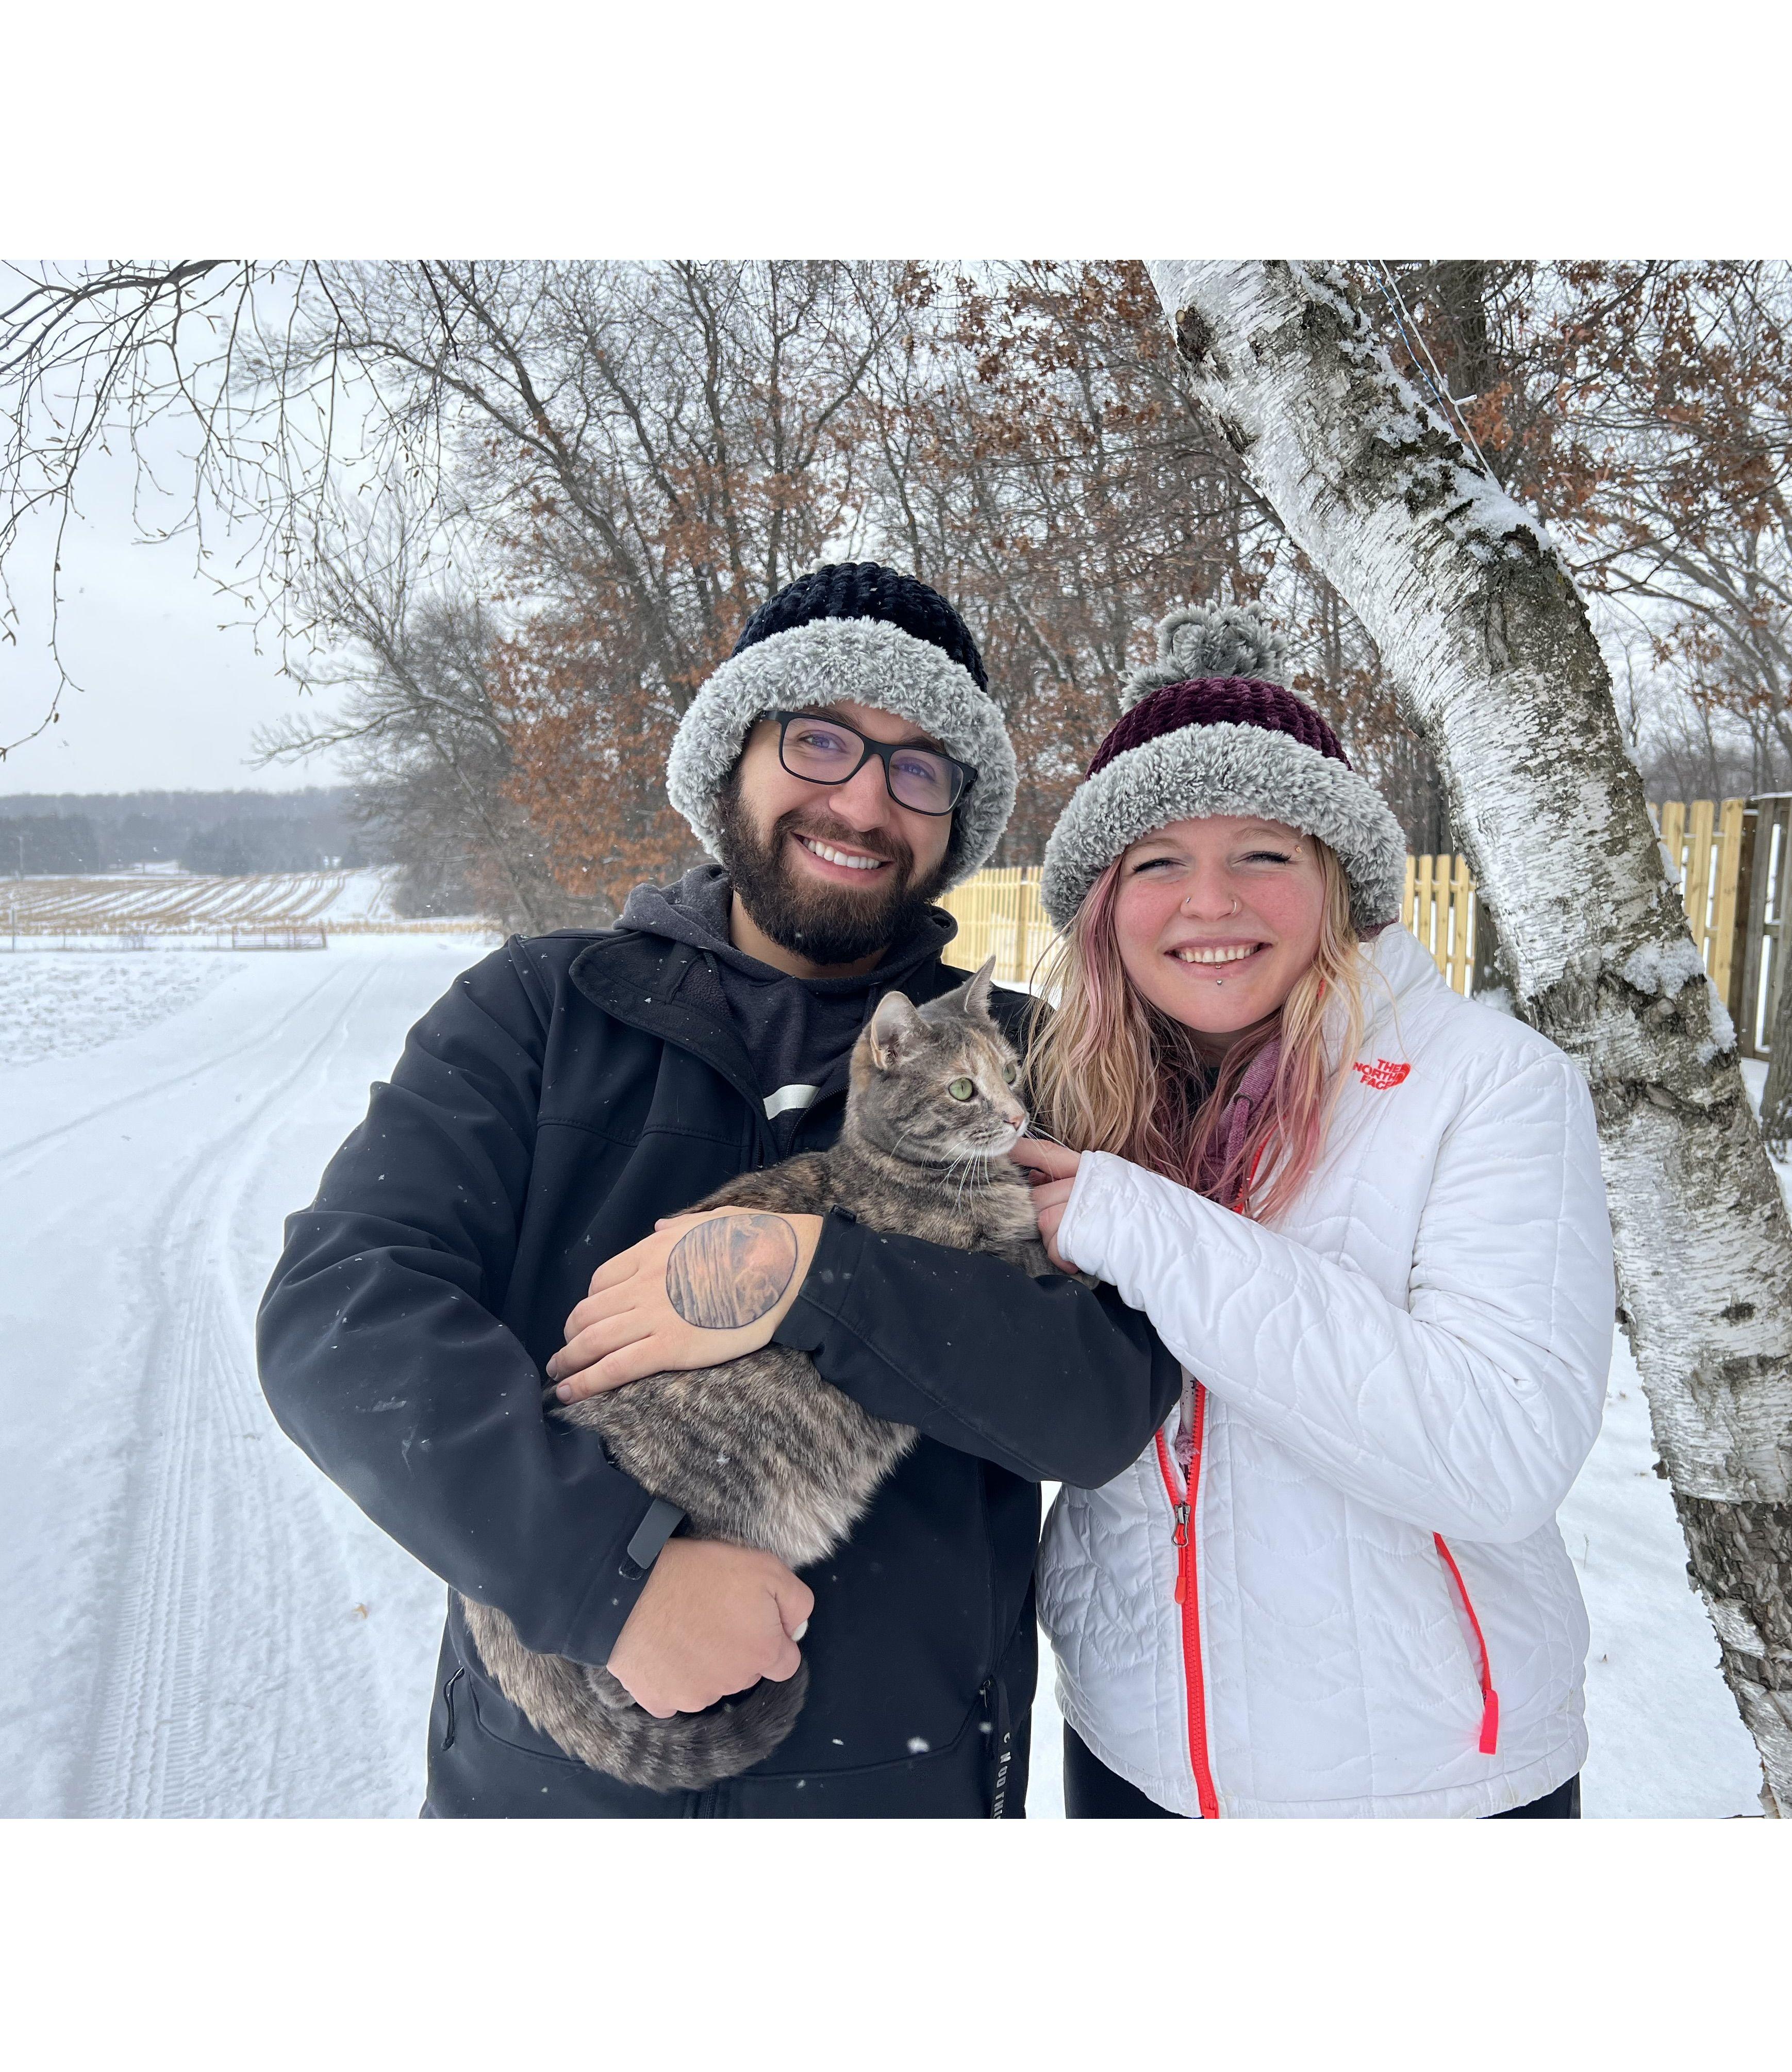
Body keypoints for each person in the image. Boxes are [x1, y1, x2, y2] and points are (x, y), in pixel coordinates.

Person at [257, 563, 1178, 1818]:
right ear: (730, 760)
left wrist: (818, 1281)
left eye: (919, 770)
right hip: (553, 1793)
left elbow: (1103, 1397)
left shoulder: (1026, 1060)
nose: (864, 799)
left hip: (903, 1804)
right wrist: (610, 1580)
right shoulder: (542, 1011)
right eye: (820, 739)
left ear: (956, 821)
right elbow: (343, 1311)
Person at [1014, 606, 1615, 1818]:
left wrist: (1141, 1223)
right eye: (1158, 860)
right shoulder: (1071, 1091)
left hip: (1428, 1782)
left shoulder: (1486, 1083)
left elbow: (1498, 1455)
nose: (1210, 902)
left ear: (1338, 880)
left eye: (1265, 855)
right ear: (1101, 904)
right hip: (1134, 1755)